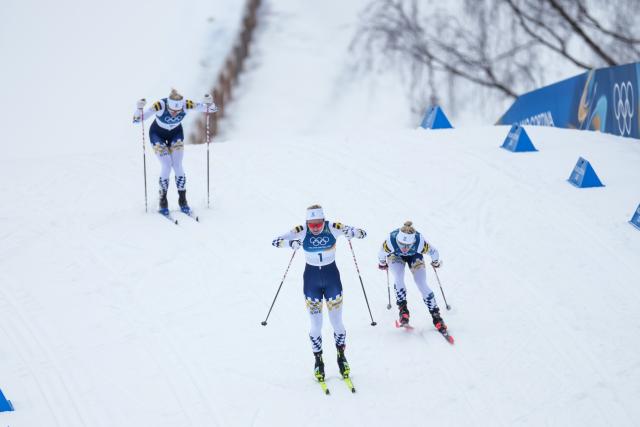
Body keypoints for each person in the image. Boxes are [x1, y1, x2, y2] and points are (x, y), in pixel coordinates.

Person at [272, 204, 366, 382]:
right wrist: (290, 243)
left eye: (318, 224)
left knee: (337, 322)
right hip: (311, 281)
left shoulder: (333, 227)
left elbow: (361, 232)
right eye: (312, 224)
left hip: (332, 280)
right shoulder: (301, 230)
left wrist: (353, 233)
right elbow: (275, 241)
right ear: (307, 222)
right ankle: (318, 360)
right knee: (316, 325)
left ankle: (341, 357)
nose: (315, 228)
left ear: (324, 220)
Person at [133, 89, 217, 215]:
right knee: (166, 165)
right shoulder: (160, 105)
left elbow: (211, 110)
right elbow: (137, 120)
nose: (174, 114)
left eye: (178, 112)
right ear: (168, 106)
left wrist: (210, 103)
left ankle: (183, 200)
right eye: (172, 111)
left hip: (176, 134)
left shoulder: (186, 104)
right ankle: (162, 201)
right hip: (157, 135)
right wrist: (139, 109)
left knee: (177, 165)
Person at [378, 221, 447, 332]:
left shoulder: (420, 242)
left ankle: (436, 315)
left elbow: (434, 252)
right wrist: (382, 263)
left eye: (408, 245)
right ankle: (403, 310)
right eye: (401, 243)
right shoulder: (390, 241)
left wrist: (435, 262)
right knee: (398, 277)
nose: (405, 248)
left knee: (421, 283)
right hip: (395, 256)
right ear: (398, 239)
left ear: (413, 241)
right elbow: (381, 254)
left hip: (415, 255)